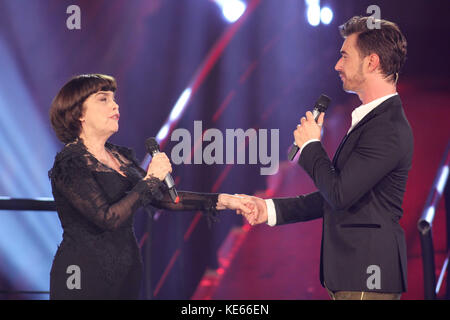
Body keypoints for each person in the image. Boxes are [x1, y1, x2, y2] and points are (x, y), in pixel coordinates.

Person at [238, 16, 413, 300]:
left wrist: (310, 146)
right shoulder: (373, 121)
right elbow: (336, 194)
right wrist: (269, 209)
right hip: (354, 277)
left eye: (345, 56)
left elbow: (340, 194)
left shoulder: (387, 128)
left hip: (367, 278)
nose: (337, 65)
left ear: (371, 62)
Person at [48, 74, 252, 299]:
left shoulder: (119, 156)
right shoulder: (71, 163)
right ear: (79, 114)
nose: (115, 105)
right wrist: (151, 179)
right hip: (82, 276)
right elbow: (108, 218)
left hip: (125, 272)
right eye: (103, 99)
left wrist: (226, 200)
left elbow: (164, 198)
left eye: (114, 98)